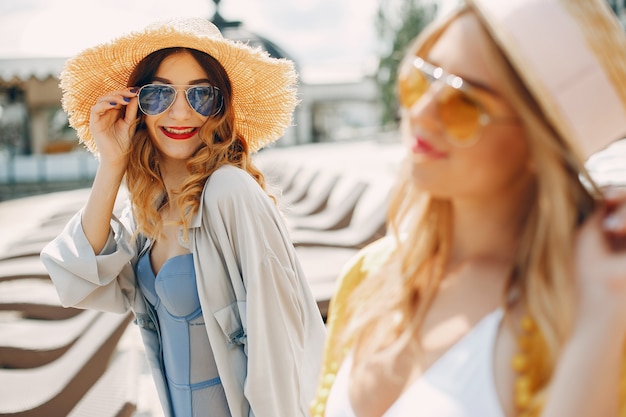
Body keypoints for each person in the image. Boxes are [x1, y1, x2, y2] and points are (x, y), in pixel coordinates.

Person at [311, 0, 626, 416]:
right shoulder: (369, 278)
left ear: (541, 141)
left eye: (463, 102)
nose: (420, 113)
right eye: (421, 78)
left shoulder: (585, 313)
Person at [40, 18, 326, 417]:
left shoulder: (231, 193)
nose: (179, 112)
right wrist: (111, 164)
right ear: (135, 104)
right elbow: (75, 280)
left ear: (220, 108)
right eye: (158, 95)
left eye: (200, 96)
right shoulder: (149, 210)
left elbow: (279, 346)